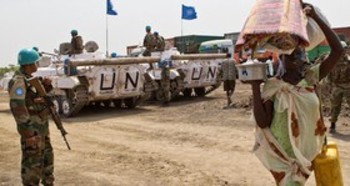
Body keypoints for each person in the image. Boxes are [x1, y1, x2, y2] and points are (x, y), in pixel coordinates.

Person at [247, 4, 343, 185]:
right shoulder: (273, 86)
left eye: (302, 54)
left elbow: (337, 51)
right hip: (283, 159)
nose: (300, 57)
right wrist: (255, 87)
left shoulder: (311, 77)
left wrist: (315, 16)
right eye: (294, 55)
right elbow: (263, 121)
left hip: (307, 153)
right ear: (282, 59)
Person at [8, 48, 55, 185]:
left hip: (41, 128)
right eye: (35, 62)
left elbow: (33, 98)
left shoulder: (30, 79)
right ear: (29, 64)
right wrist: (28, 133)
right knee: (32, 165)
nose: (37, 65)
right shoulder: (19, 81)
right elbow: (18, 106)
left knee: (47, 158)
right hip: (32, 130)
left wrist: (46, 87)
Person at [329, 45, 350, 133]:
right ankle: (332, 124)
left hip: (348, 86)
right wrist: (330, 85)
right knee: (335, 106)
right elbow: (329, 73)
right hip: (336, 87)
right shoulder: (332, 60)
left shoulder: (349, 61)